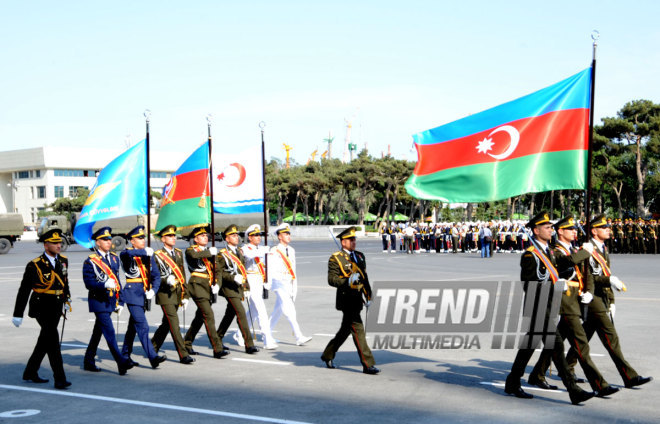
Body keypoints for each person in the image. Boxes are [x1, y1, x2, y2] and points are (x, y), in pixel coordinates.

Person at [504, 211, 594, 405]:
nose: (551, 230)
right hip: (538, 306)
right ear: (536, 231)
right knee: (557, 345)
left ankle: (512, 382)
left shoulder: (549, 251)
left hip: (549, 304)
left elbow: (566, 262)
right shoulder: (530, 255)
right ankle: (574, 390)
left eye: (551, 227)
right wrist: (553, 286)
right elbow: (529, 285)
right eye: (547, 227)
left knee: (528, 346)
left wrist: (584, 252)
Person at [527, 216, 618, 397]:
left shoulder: (576, 249)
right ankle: (599, 385)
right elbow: (566, 263)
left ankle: (537, 374)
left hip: (577, 300)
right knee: (581, 343)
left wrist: (590, 292)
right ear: (561, 232)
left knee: (555, 343)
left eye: (575, 229)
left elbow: (588, 274)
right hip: (563, 301)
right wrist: (586, 252)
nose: (574, 232)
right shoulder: (555, 251)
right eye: (570, 229)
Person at [566, 214, 653, 389]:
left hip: (602, 298)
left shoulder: (603, 249)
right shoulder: (587, 250)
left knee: (584, 336)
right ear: (594, 230)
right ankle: (629, 376)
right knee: (611, 337)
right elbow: (589, 278)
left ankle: (566, 367)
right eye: (604, 227)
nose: (608, 229)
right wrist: (610, 281)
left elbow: (606, 274)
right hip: (592, 298)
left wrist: (612, 301)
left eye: (608, 227)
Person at [12, 228, 72, 389]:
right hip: (41, 306)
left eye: (59, 242)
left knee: (44, 341)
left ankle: (30, 372)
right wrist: (18, 314)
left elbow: (65, 282)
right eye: (54, 243)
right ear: (46, 246)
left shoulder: (63, 260)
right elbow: (24, 290)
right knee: (52, 341)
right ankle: (59, 378)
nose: (58, 245)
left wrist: (67, 298)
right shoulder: (35, 265)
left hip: (57, 306)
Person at [321, 226, 379, 374]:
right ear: (343, 242)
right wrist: (346, 281)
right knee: (358, 329)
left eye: (354, 239)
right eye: (350, 239)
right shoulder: (336, 258)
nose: (354, 242)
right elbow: (331, 279)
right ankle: (368, 364)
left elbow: (364, 278)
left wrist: (368, 296)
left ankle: (328, 354)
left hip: (357, 299)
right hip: (346, 299)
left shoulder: (359, 256)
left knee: (345, 330)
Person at [82, 227, 133, 375]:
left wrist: (121, 301)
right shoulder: (90, 261)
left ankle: (89, 360)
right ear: (98, 242)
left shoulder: (114, 258)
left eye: (110, 239)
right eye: (105, 239)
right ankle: (121, 361)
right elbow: (89, 284)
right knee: (109, 331)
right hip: (99, 301)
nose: (109, 241)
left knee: (98, 332)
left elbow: (117, 280)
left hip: (111, 300)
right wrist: (103, 284)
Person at [119, 225, 167, 369]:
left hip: (145, 294)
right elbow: (127, 256)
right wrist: (143, 252)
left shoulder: (148, 254)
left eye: (143, 237)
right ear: (132, 241)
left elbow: (156, 275)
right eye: (139, 238)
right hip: (132, 294)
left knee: (132, 327)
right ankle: (153, 357)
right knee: (142, 326)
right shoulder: (127, 253)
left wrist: (154, 290)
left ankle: (125, 355)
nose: (142, 240)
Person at [151, 225, 194, 364]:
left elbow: (182, 275)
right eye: (170, 236)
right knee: (174, 324)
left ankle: (152, 347)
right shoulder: (157, 255)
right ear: (163, 239)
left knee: (166, 324)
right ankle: (183, 354)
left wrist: (186, 295)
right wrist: (166, 280)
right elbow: (154, 277)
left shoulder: (178, 253)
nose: (173, 238)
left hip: (177, 293)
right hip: (165, 294)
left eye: (174, 235)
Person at [183, 225, 228, 358]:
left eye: (206, 236)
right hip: (197, 286)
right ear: (196, 239)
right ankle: (217, 348)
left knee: (200, 318)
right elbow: (194, 255)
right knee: (209, 315)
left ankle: (187, 342)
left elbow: (218, 270)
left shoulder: (211, 251)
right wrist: (210, 253)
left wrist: (218, 285)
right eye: (202, 236)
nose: (205, 237)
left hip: (209, 286)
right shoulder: (191, 250)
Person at [215, 224, 258, 354]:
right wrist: (233, 278)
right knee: (240, 312)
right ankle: (249, 344)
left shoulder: (239, 251)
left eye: (237, 235)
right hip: (228, 288)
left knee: (230, 314)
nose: (236, 237)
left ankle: (217, 338)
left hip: (238, 288)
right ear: (227, 239)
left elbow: (242, 270)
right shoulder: (222, 254)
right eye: (233, 235)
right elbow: (220, 273)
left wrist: (246, 286)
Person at [268, 223, 312, 346]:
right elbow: (271, 268)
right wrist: (270, 282)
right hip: (278, 282)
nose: (288, 236)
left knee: (278, 309)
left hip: (289, 282)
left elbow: (293, 269)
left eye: (289, 233)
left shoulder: (291, 250)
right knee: (289, 309)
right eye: (285, 234)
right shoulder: (274, 251)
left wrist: (294, 285)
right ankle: (299, 336)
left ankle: (267, 332)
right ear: (279, 237)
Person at [240, 224, 277, 349]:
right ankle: (267, 339)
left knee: (253, 311)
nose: (258, 237)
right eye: (255, 235)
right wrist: (263, 250)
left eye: (259, 235)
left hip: (260, 279)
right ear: (249, 237)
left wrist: (268, 280)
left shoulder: (262, 248)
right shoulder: (245, 248)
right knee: (261, 310)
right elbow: (250, 256)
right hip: (250, 280)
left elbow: (268, 265)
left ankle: (240, 334)